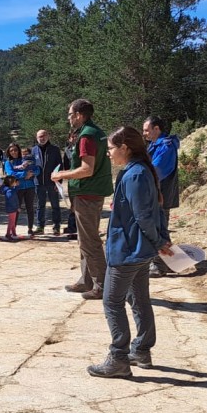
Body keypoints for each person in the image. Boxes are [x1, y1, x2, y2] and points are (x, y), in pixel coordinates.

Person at [88, 127, 173, 378]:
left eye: (111, 149)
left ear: (125, 148)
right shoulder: (140, 171)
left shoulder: (135, 175)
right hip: (138, 250)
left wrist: (159, 241)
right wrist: (160, 240)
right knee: (138, 299)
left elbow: (144, 216)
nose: (109, 155)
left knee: (112, 301)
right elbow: (155, 210)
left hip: (128, 250)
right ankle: (141, 351)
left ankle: (118, 358)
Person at [51, 99, 112, 300]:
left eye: (70, 114)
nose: (68, 118)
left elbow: (87, 169)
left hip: (87, 193)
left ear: (79, 115)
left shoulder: (87, 137)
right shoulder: (95, 132)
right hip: (90, 192)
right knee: (85, 238)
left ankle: (102, 285)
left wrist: (62, 175)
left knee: (89, 240)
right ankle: (86, 280)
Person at [143, 116, 181, 277]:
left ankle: (160, 265)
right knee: (158, 227)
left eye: (146, 130)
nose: (144, 133)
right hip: (157, 194)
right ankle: (169, 262)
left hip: (161, 195)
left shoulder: (166, 146)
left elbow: (156, 170)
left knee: (159, 229)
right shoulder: (155, 144)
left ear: (156, 129)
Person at [3, 142, 38, 236]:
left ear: (18, 150)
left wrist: (32, 173)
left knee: (30, 208)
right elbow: (11, 173)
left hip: (30, 186)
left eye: (15, 150)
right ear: (8, 152)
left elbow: (37, 169)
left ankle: (30, 228)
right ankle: (13, 230)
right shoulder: (8, 162)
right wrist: (24, 174)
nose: (14, 152)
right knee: (16, 209)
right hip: (17, 189)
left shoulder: (25, 159)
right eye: (11, 150)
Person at [33, 129, 63, 234]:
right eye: (40, 136)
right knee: (40, 205)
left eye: (44, 135)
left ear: (48, 136)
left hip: (52, 183)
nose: (42, 138)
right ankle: (40, 226)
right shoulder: (34, 150)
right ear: (37, 138)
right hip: (38, 183)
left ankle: (56, 226)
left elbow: (59, 166)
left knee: (55, 205)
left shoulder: (55, 149)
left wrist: (59, 181)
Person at [1, 175, 21, 241]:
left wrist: (17, 185)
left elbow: (15, 190)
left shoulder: (11, 189)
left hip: (12, 208)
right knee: (11, 222)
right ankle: (8, 234)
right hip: (12, 208)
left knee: (12, 221)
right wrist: (17, 207)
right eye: (15, 181)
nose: (16, 182)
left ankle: (14, 233)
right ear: (11, 183)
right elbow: (12, 201)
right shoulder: (10, 191)